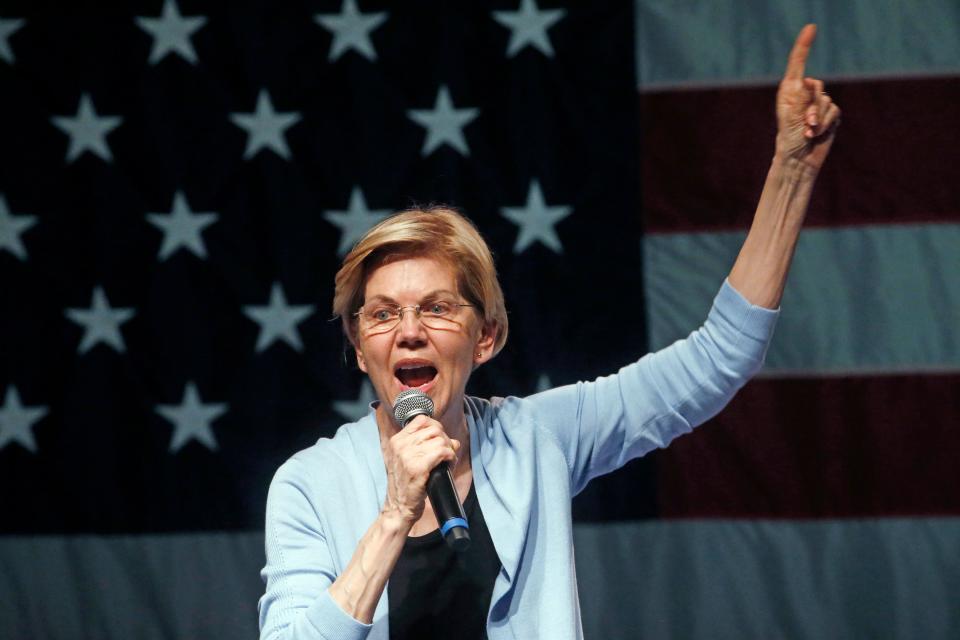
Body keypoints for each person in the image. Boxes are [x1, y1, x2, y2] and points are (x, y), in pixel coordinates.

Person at [258, 23, 840, 640]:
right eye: (380, 314)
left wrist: (791, 173)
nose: (408, 332)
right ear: (357, 346)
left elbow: (717, 359)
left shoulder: (538, 439)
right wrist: (396, 513)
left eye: (436, 308)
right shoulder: (307, 483)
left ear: (486, 337)